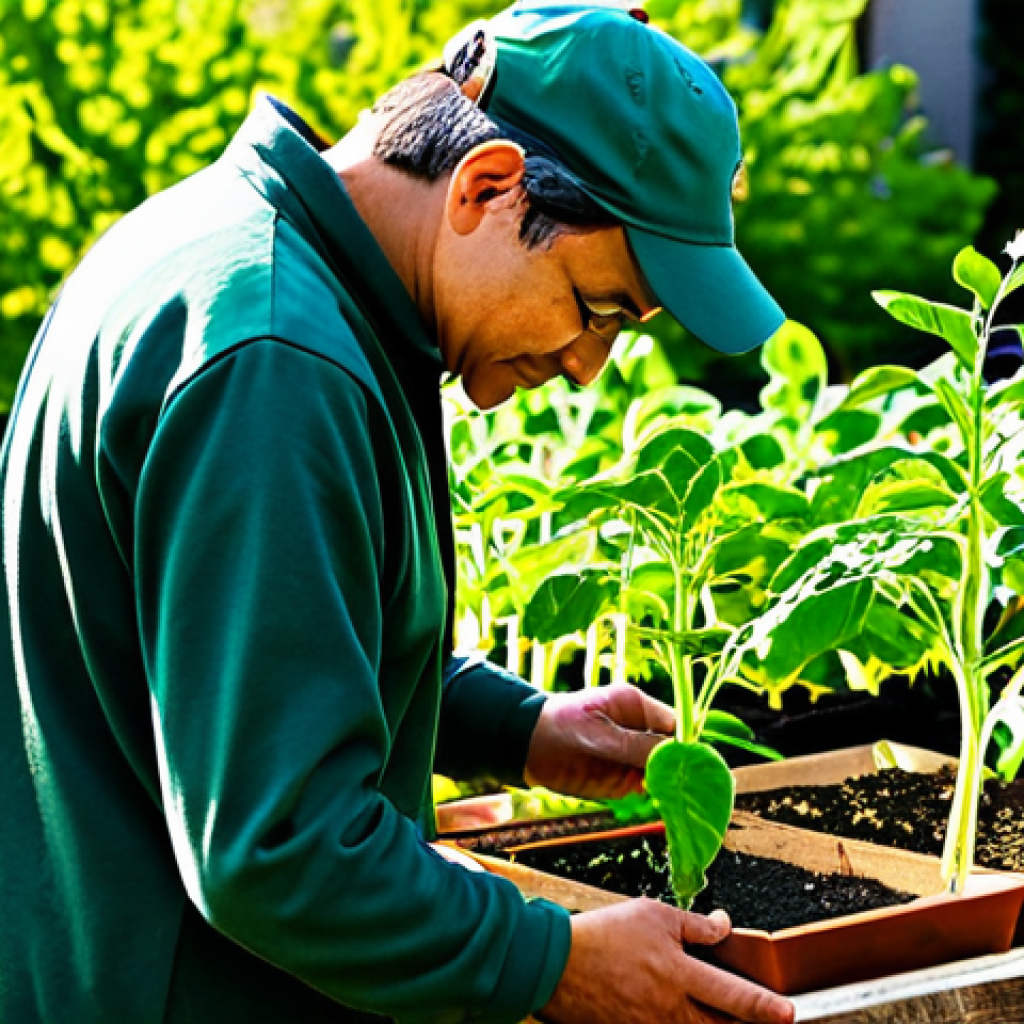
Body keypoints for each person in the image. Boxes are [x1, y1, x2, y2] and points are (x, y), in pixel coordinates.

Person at [0, 3, 794, 1023]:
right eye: (597, 309)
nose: (587, 365)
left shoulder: (219, 250)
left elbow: (235, 650)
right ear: (487, 186)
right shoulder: (280, 366)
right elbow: (278, 849)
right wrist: (549, 960)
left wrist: (516, 727)